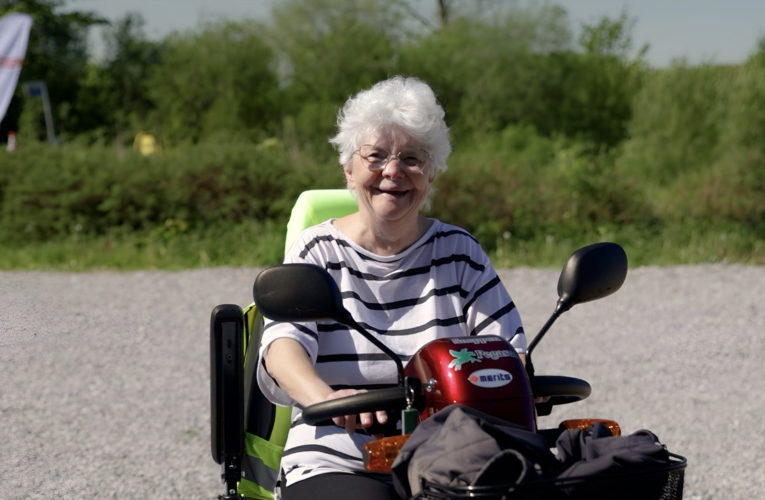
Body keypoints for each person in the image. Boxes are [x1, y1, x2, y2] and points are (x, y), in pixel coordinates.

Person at [256, 75, 527, 500]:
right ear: (348, 169)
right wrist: (327, 398)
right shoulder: (318, 251)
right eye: (376, 156)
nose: (393, 172)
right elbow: (281, 350)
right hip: (338, 456)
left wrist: (516, 372)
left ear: (432, 175)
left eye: (413, 159)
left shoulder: (460, 252)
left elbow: (507, 351)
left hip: (450, 457)